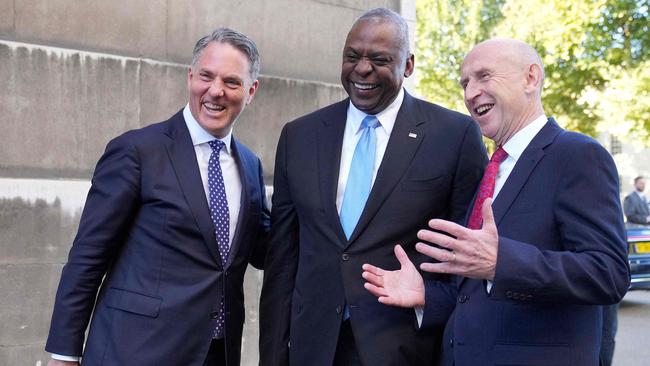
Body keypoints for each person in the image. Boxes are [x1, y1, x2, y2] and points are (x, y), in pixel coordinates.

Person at [362, 38, 630, 366]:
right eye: (465, 83)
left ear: (531, 78)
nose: (471, 92)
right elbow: (478, 291)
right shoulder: (492, 169)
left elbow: (608, 273)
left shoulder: (577, 155)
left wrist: (500, 262)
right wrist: (425, 296)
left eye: (484, 76)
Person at [258, 7, 487, 366]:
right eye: (352, 57)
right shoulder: (299, 136)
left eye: (379, 59)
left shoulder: (453, 136)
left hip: (405, 348)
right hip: (313, 348)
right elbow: (283, 261)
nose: (362, 69)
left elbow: (468, 260)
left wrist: (430, 301)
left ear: (408, 65)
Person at [45, 27, 270, 366]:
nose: (215, 91)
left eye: (232, 82)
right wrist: (64, 353)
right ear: (190, 76)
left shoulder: (251, 166)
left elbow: (265, 249)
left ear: (251, 90)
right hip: (134, 351)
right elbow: (88, 257)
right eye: (206, 76)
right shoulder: (137, 151)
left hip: (215, 354)